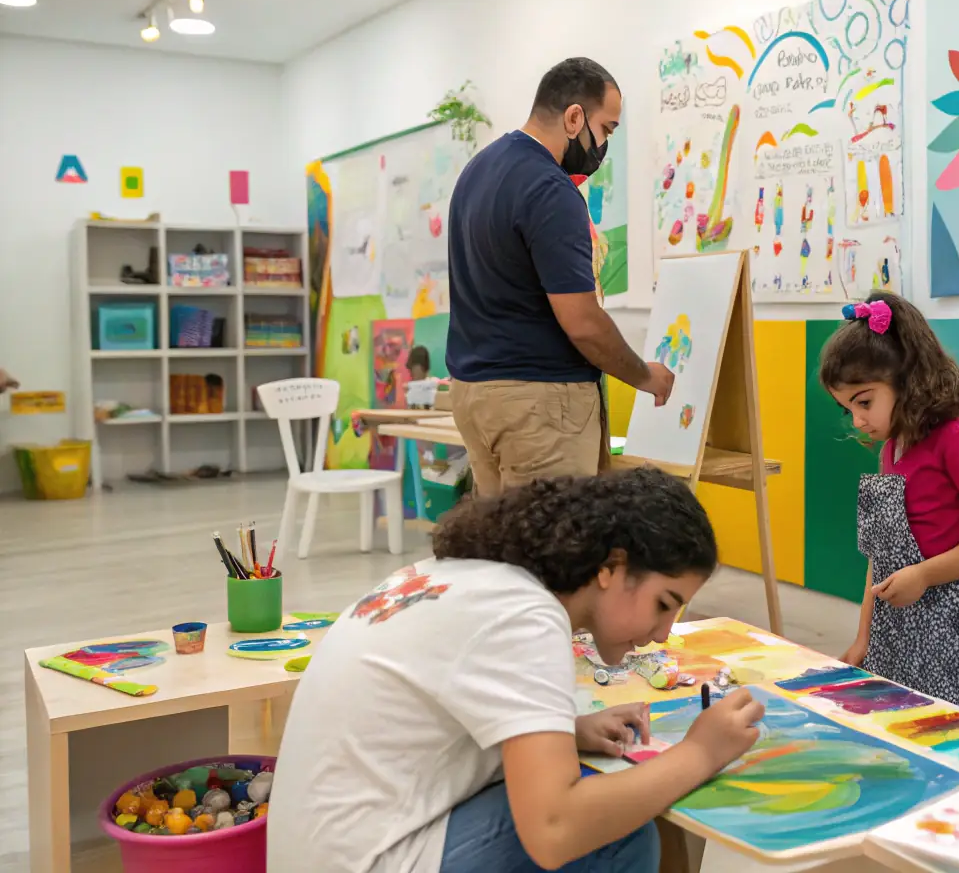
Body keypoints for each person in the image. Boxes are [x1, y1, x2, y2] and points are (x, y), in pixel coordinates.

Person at [268, 467, 766, 873]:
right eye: (664, 603)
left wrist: (562, 732)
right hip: (369, 859)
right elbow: (554, 832)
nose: (662, 633)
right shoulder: (524, 615)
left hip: (324, 851)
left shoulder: (471, 580)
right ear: (612, 566)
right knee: (616, 838)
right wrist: (701, 752)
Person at [445, 58, 673, 495]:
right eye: (606, 129)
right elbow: (582, 322)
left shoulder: (477, 172)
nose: (603, 145)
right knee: (553, 554)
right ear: (574, 117)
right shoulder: (550, 188)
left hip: (474, 396)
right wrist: (644, 376)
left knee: (504, 551)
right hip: (538, 404)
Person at [819, 291, 959, 731]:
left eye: (864, 401)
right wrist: (864, 638)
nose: (857, 420)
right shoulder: (892, 449)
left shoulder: (958, 441)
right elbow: (881, 555)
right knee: (910, 730)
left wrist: (925, 575)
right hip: (902, 624)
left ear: (907, 379)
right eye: (847, 408)